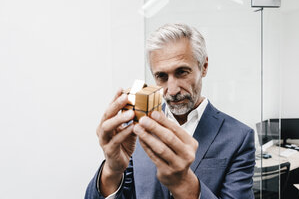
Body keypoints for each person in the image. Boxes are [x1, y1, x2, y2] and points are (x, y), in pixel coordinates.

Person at [85, 23, 255, 199]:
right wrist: (112, 171)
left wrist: (185, 184)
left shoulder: (239, 137)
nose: (172, 90)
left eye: (182, 72)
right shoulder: (135, 129)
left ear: (203, 67)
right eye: (162, 77)